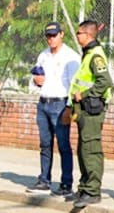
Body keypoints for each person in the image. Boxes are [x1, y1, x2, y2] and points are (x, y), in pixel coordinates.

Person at [67, 19, 111, 211]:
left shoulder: (96, 55)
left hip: (92, 110)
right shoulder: (88, 53)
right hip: (84, 110)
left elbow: (105, 81)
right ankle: (84, 188)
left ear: (88, 34)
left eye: (79, 33)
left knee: (91, 150)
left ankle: (92, 191)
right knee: (83, 150)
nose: (77, 36)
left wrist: (83, 94)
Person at [31, 21, 79, 194]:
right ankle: (44, 180)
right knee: (45, 144)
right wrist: (36, 81)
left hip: (60, 103)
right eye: (48, 36)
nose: (51, 39)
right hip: (44, 102)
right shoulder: (43, 55)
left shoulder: (70, 57)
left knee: (63, 144)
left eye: (54, 35)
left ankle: (66, 183)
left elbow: (75, 85)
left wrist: (69, 108)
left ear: (61, 34)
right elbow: (36, 77)